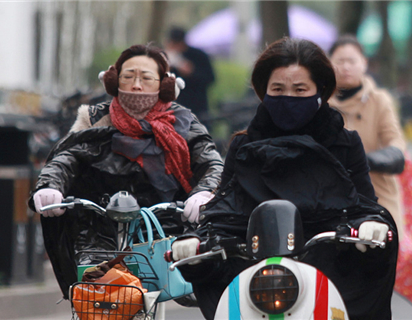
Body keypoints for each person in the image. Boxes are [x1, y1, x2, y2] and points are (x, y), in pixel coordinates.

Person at [171, 37, 398, 320]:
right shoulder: (243, 148)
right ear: (263, 91)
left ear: (320, 91)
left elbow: (364, 205)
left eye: (300, 89)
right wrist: (196, 239)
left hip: (328, 278)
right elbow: (222, 213)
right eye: (277, 89)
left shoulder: (345, 143)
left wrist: (370, 225)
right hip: (253, 280)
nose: (288, 97)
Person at [28, 44, 223, 298]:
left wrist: (205, 192)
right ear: (113, 80)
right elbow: (66, 158)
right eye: (128, 77)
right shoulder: (93, 118)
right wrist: (50, 186)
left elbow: (210, 162)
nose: (137, 85)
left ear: (164, 85)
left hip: (166, 233)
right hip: (99, 233)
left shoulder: (183, 121)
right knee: (97, 303)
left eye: (146, 78)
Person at [328, 35, 412, 307]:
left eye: (352, 61)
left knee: (373, 269)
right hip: (329, 196)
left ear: (364, 64)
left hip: (376, 196)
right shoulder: (319, 101)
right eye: (339, 61)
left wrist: (366, 160)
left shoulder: (379, 100)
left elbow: (395, 144)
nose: (345, 67)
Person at [166, 26, 215, 122]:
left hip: (197, 106)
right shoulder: (166, 57)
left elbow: (210, 78)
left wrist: (192, 73)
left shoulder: (198, 56)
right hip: (174, 107)